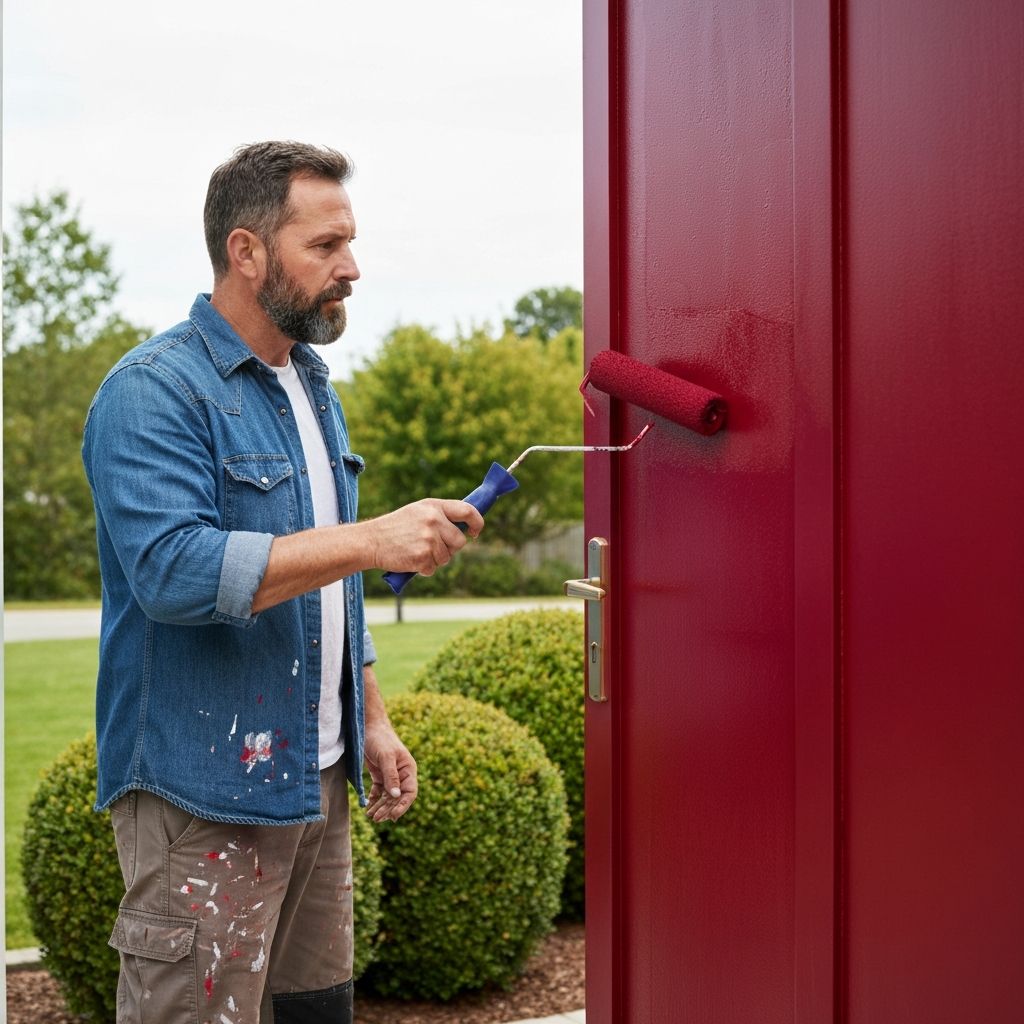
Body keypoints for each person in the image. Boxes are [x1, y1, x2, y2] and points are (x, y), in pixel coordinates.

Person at [82, 141, 485, 1024]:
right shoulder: (153, 392)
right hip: (204, 796)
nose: (352, 269)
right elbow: (175, 572)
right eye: (326, 246)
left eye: (351, 243)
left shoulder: (309, 383)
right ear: (247, 251)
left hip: (318, 778)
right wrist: (371, 536)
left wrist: (372, 720)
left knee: (317, 1011)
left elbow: (330, 593)